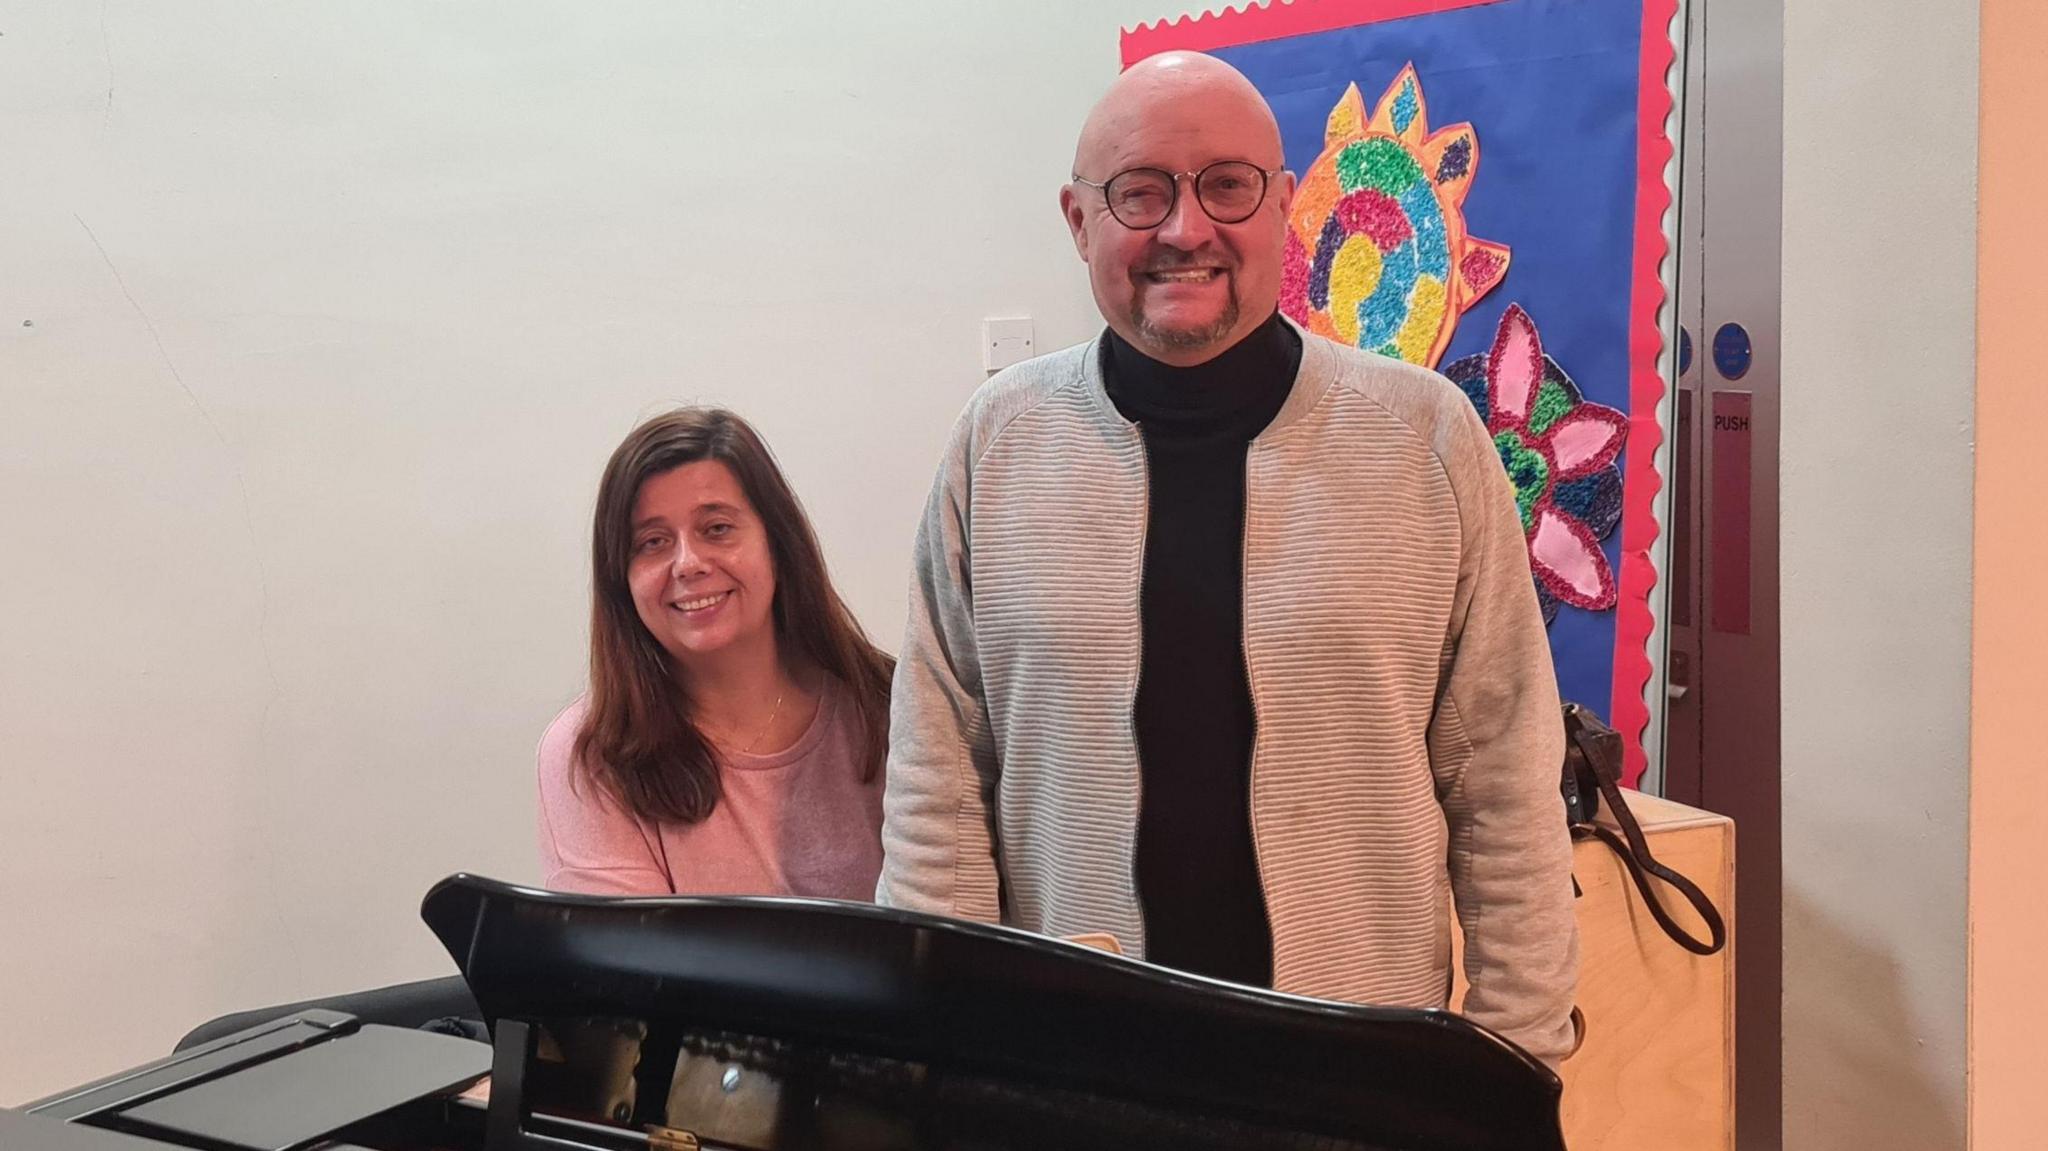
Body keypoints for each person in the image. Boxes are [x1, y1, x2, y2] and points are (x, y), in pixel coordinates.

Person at [876, 51, 1579, 1065]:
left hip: (1353, 1080)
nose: (1184, 228)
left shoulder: (1425, 438)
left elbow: (1504, 787)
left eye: (1226, 186)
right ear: (1079, 221)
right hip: (1075, 1075)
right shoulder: (998, 445)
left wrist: (1517, 1065)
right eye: (1139, 192)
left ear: (1286, 205)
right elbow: (938, 783)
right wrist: (941, 1056)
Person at [537, 407, 892, 898]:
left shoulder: (889, 708)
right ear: (622, 578)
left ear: (777, 544)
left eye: (717, 528)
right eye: (652, 542)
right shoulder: (590, 753)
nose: (687, 564)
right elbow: (631, 970)